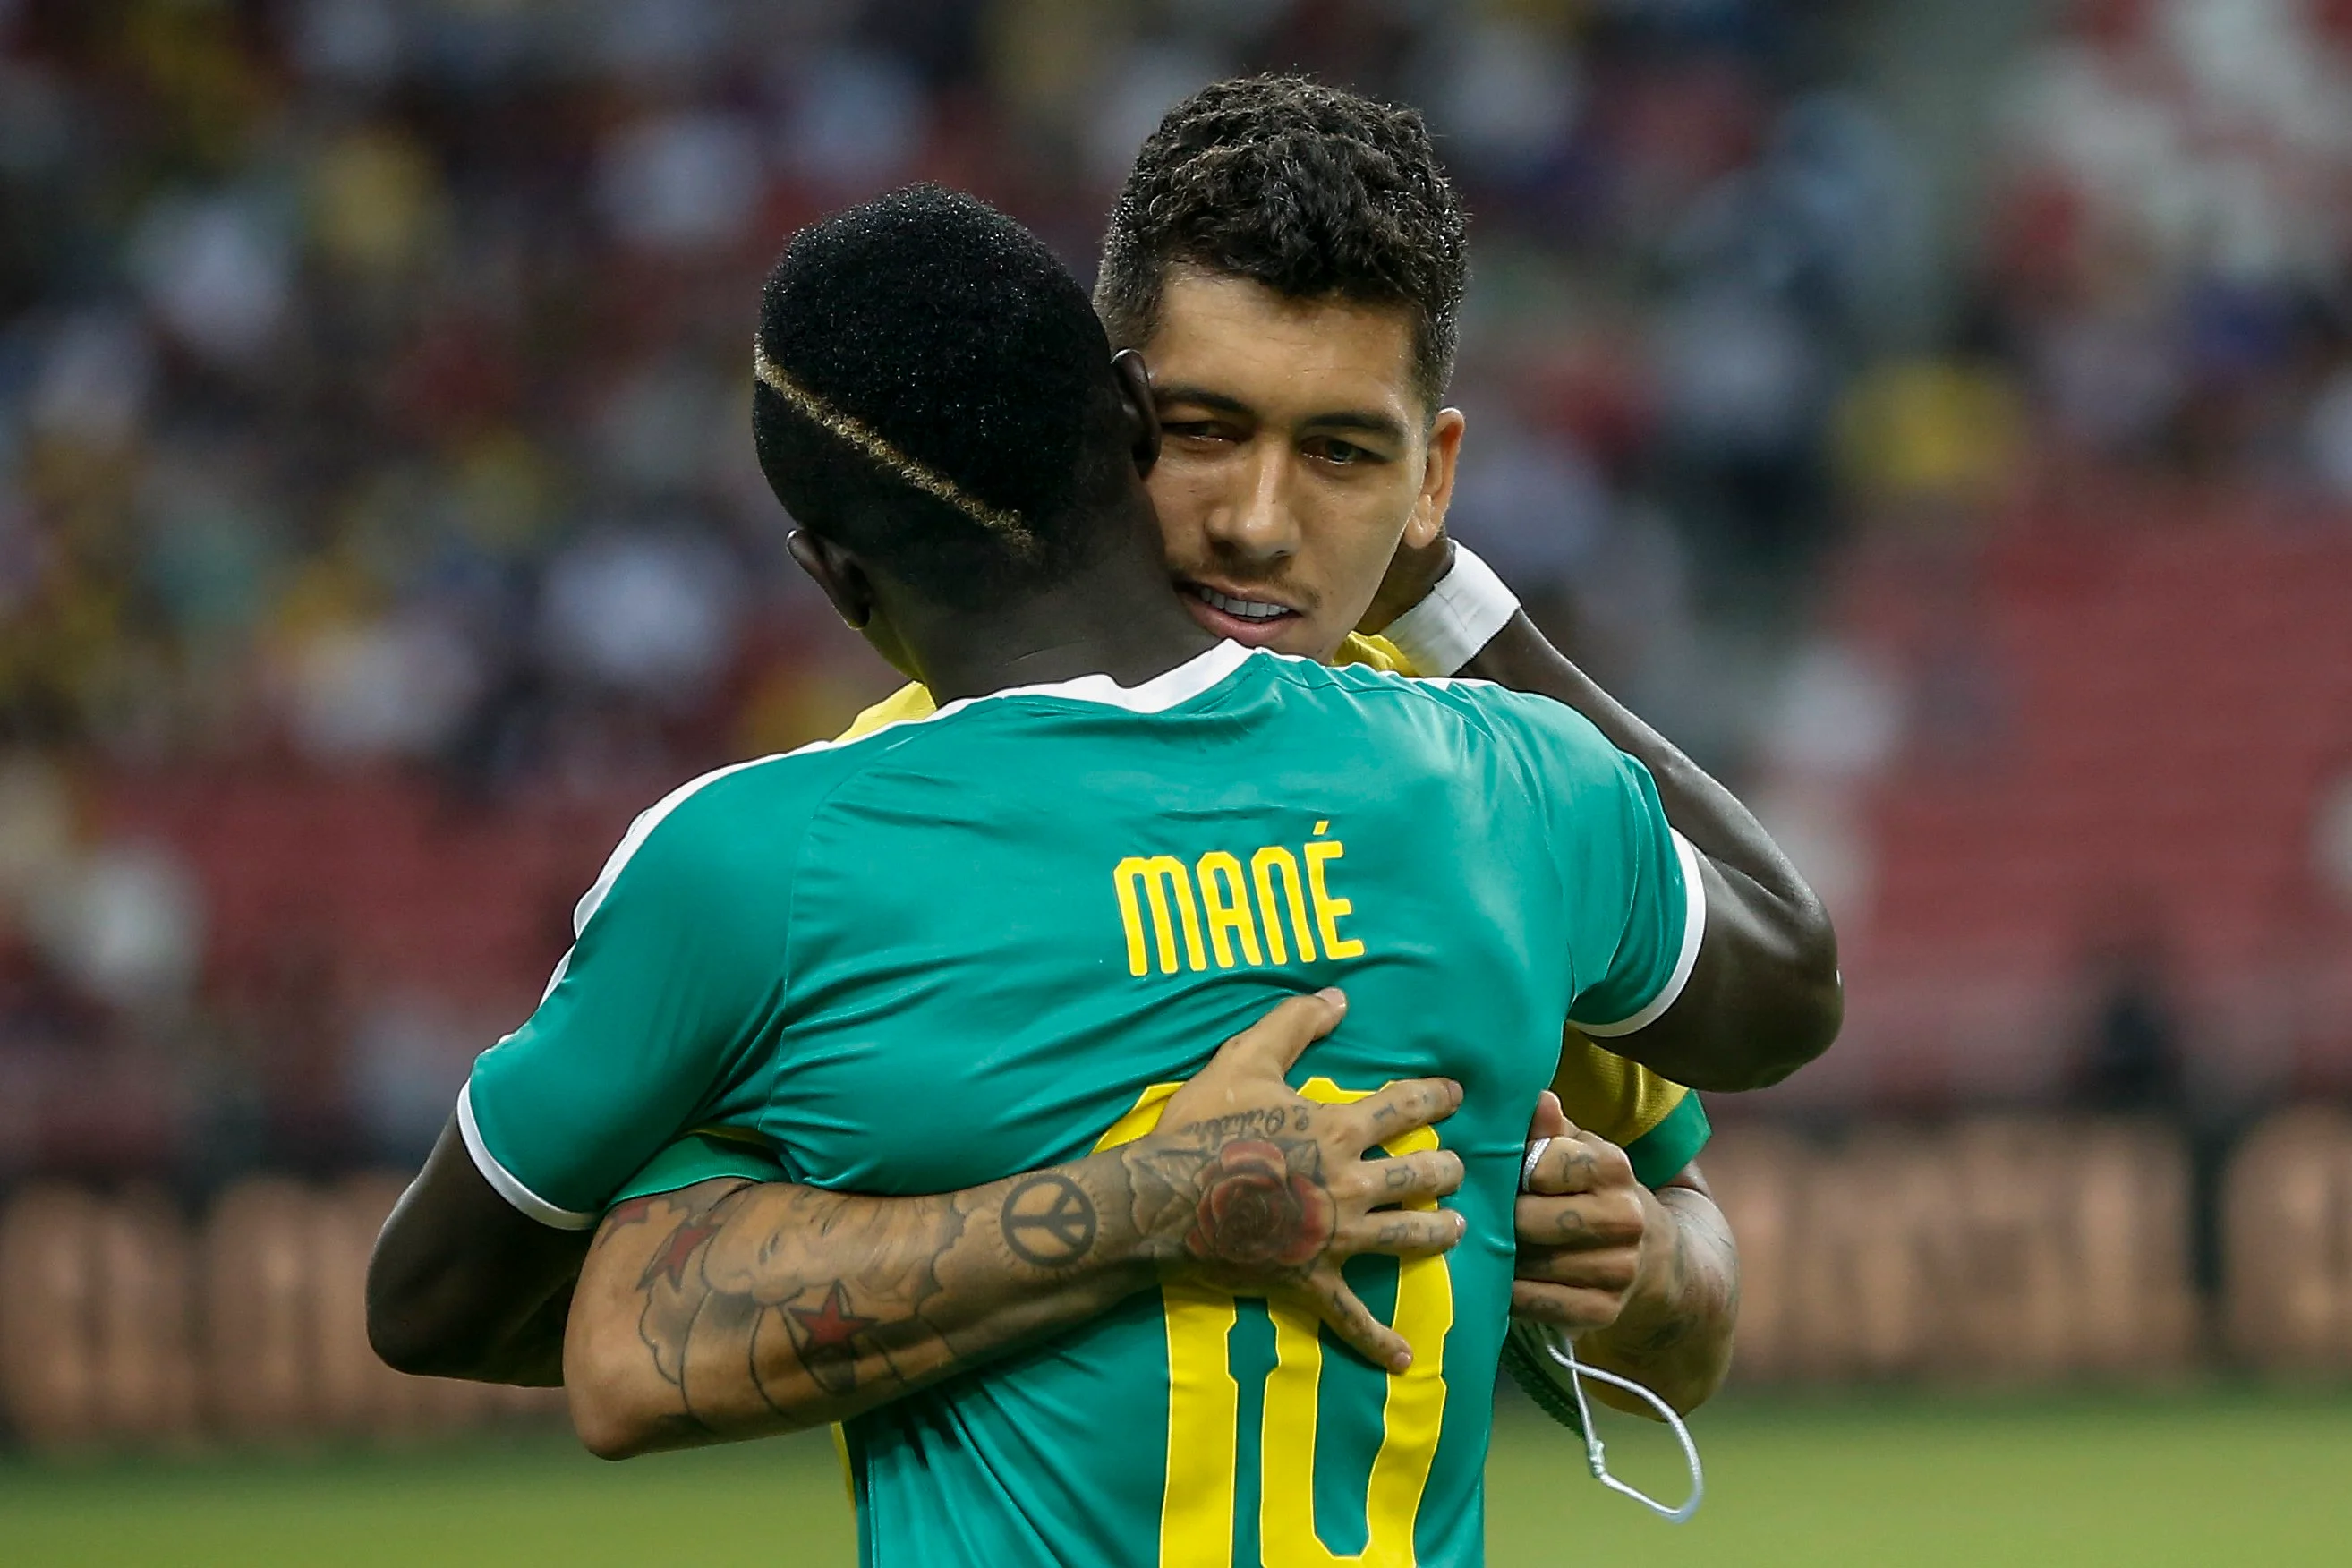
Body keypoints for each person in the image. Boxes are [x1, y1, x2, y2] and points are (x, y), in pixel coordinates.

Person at [369, 78, 1819, 1444]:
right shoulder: (852, 839)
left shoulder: (1490, 789)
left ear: (1430, 477)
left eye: (1340, 454)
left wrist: (1646, 1276)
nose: (1258, 522)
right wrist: (1136, 1217)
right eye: (1205, 431)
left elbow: (1691, 1290)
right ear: (1111, 417)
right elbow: (602, 1328)